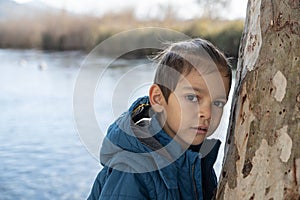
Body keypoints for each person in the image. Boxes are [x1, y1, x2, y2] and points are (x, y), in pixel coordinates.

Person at [87, 38, 232, 200]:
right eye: (192, 98)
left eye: (218, 103)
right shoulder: (133, 171)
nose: (207, 112)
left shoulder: (196, 163)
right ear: (158, 99)